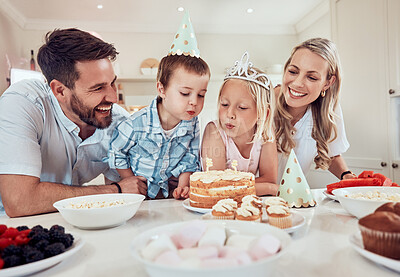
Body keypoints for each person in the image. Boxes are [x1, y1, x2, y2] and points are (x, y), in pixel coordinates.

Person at [0, 28, 146, 218]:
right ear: (60, 91)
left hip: (73, 221)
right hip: (12, 227)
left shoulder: (119, 123)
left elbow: (132, 191)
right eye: (98, 88)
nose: (113, 97)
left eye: (112, 83)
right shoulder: (24, 102)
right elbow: (20, 201)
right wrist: (115, 190)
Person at [108, 11, 210, 199]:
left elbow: (190, 158)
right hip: (139, 198)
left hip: (169, 196)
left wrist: (183, 186)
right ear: (161, 89)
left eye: (201, 95)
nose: (194, 102)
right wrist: (132, 182)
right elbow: (116, 152)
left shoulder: (192, 122)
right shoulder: (136, 123)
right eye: (185, 93)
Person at [275, 37, 357, 181]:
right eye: (293, 72)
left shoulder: (327, 111)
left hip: (293, 199)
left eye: (311, 77)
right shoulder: (262, 102)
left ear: (328, 82)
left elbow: (331, 152)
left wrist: (346, 176)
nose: (297, 83)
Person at [201, 52, 278, 196]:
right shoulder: (214, 131)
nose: (229, 113)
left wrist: (268, 185)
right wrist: (266, 188)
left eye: (241, 107)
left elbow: (270, 179)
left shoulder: (266, 132)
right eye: (224, 104)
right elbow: (217, 186)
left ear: (263, 114)